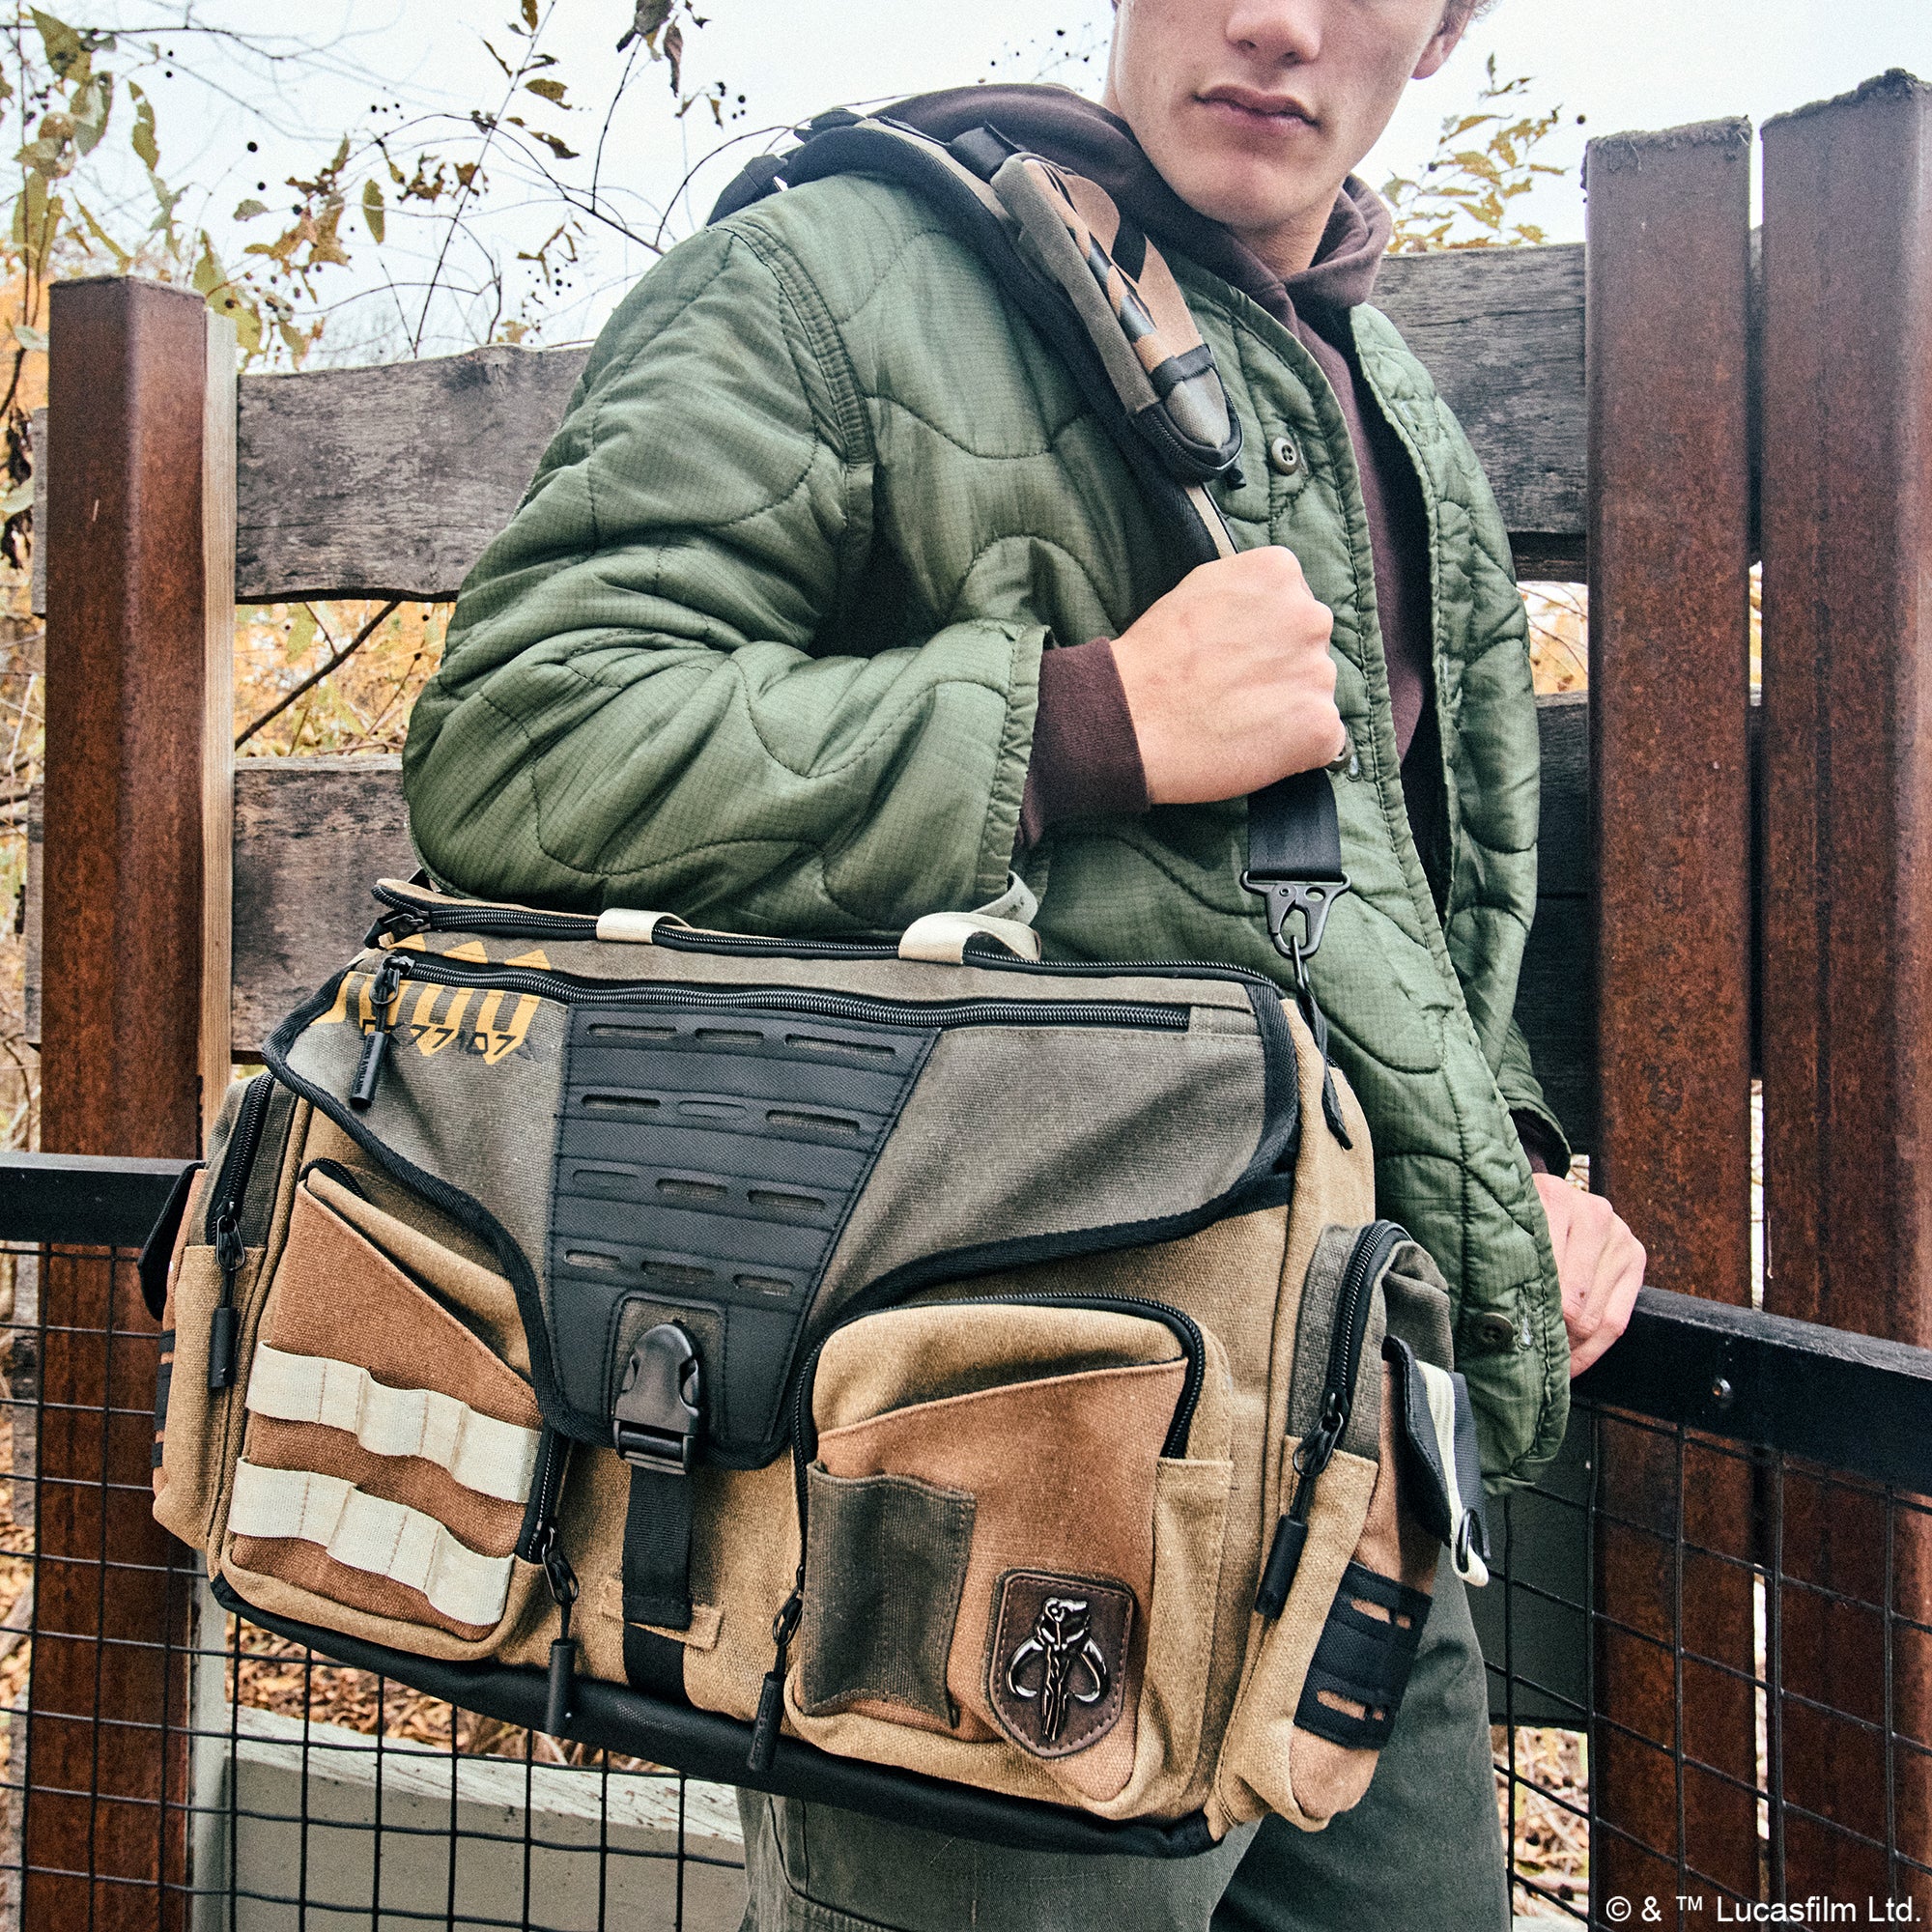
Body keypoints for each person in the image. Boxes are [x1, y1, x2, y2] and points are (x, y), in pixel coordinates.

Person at [402, 1, 1646, 1924]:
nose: (1276, 19)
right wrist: (1084, 726)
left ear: (1447, 25)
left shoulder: (1383, 389)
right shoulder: (850, 267)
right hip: (973, 1486)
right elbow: (518, 742)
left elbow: (1390, 912)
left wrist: (1518, 1162)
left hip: (1358, 1478)